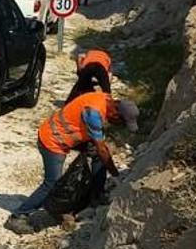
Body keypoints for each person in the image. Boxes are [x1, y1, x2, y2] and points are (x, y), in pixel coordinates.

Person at [11, 92, 139, 219]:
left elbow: (100, 148)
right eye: (120, 121)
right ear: (115, 111)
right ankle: (20, 214)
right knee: (52, 183)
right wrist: (116, 175)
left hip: (68, 136)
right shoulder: (93, 112)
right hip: (52, 140)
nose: (117, 124)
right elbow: (102, 149)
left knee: (98, 155)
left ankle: (97, 196)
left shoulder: (105, 98)